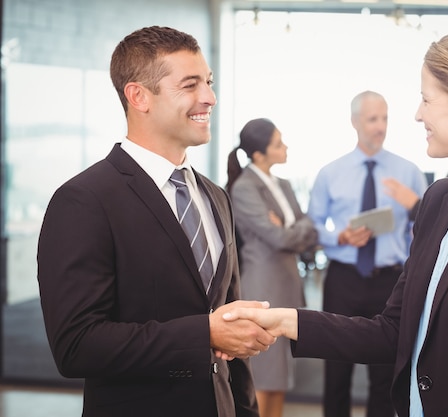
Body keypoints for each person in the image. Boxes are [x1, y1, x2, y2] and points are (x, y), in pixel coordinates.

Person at [222, 29, 448, 417]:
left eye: (426, 99)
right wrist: (284, 320)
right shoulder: (439, 203)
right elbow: (392, 334)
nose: (418, 114)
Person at [36, 26, 275, 417]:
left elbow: (230, 333)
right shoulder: (84, 200)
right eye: (190, 85)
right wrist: (204, 333)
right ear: (138, 96)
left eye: (209, 83)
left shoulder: (217, 197)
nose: (209, 98)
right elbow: (76, 345)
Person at [307, 90, 428, 417]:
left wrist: (415, 208)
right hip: (343, 279)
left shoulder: (409, 173)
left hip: (391, 282)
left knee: (386, 373)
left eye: (385, 118)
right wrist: (340, 237)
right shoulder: (330, 173)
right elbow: (311, 227)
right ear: (355, 122)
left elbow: (429, 231)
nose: (380, 126)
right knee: (336, 370)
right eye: (373, 119)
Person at [226, 118, 319, 417]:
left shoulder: (284, 184)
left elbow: (309, 228)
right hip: (264, 288)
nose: (286, 147)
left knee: (279, 378)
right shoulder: (244, 188)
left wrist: (293, 229)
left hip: (287, 285)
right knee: (264, 379)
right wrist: (294, 229)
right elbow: (278, 237)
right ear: (258, 154)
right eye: (278, 143)